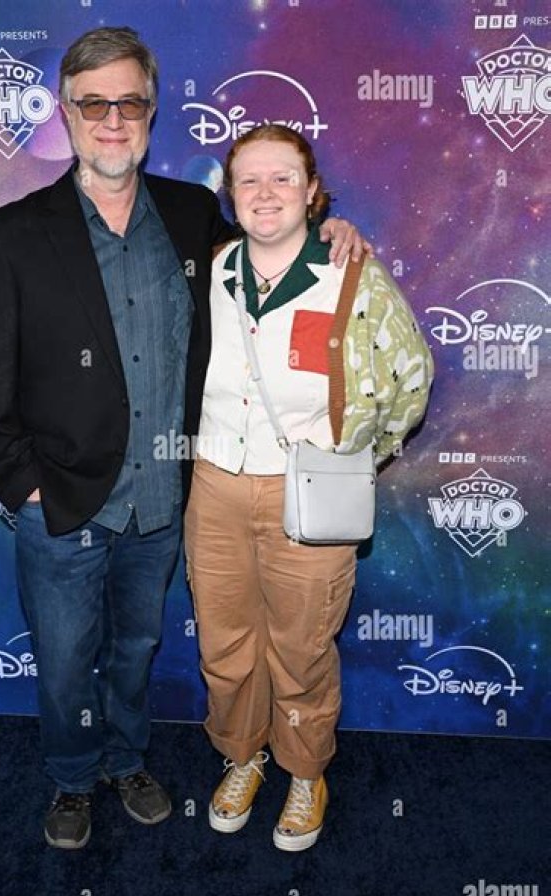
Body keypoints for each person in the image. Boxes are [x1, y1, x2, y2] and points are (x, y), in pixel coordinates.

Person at [0, 27, 366, 851]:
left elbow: (271, 251)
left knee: (137, 648)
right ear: (67, 113)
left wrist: (335, 231)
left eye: (130, 103)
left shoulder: (190, 215)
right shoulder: (12, 231)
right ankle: (73, 777)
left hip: (163, 498)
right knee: (65, 660)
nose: (113, 120)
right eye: (94, 104)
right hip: (61, 502)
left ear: (151, 113)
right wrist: (22, 482)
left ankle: (126, 760)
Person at [184, 124, 433, 851]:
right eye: (249, 179)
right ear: (230, 194)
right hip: (213, 487)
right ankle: (242, 757)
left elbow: (411, 379)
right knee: (225, 646)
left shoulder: (350, 276)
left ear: (312, 191)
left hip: (309, 495)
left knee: (301, 648)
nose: (265, 193)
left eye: (283, 178)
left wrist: (353, 459)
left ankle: (303, 771)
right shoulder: (206, 272)